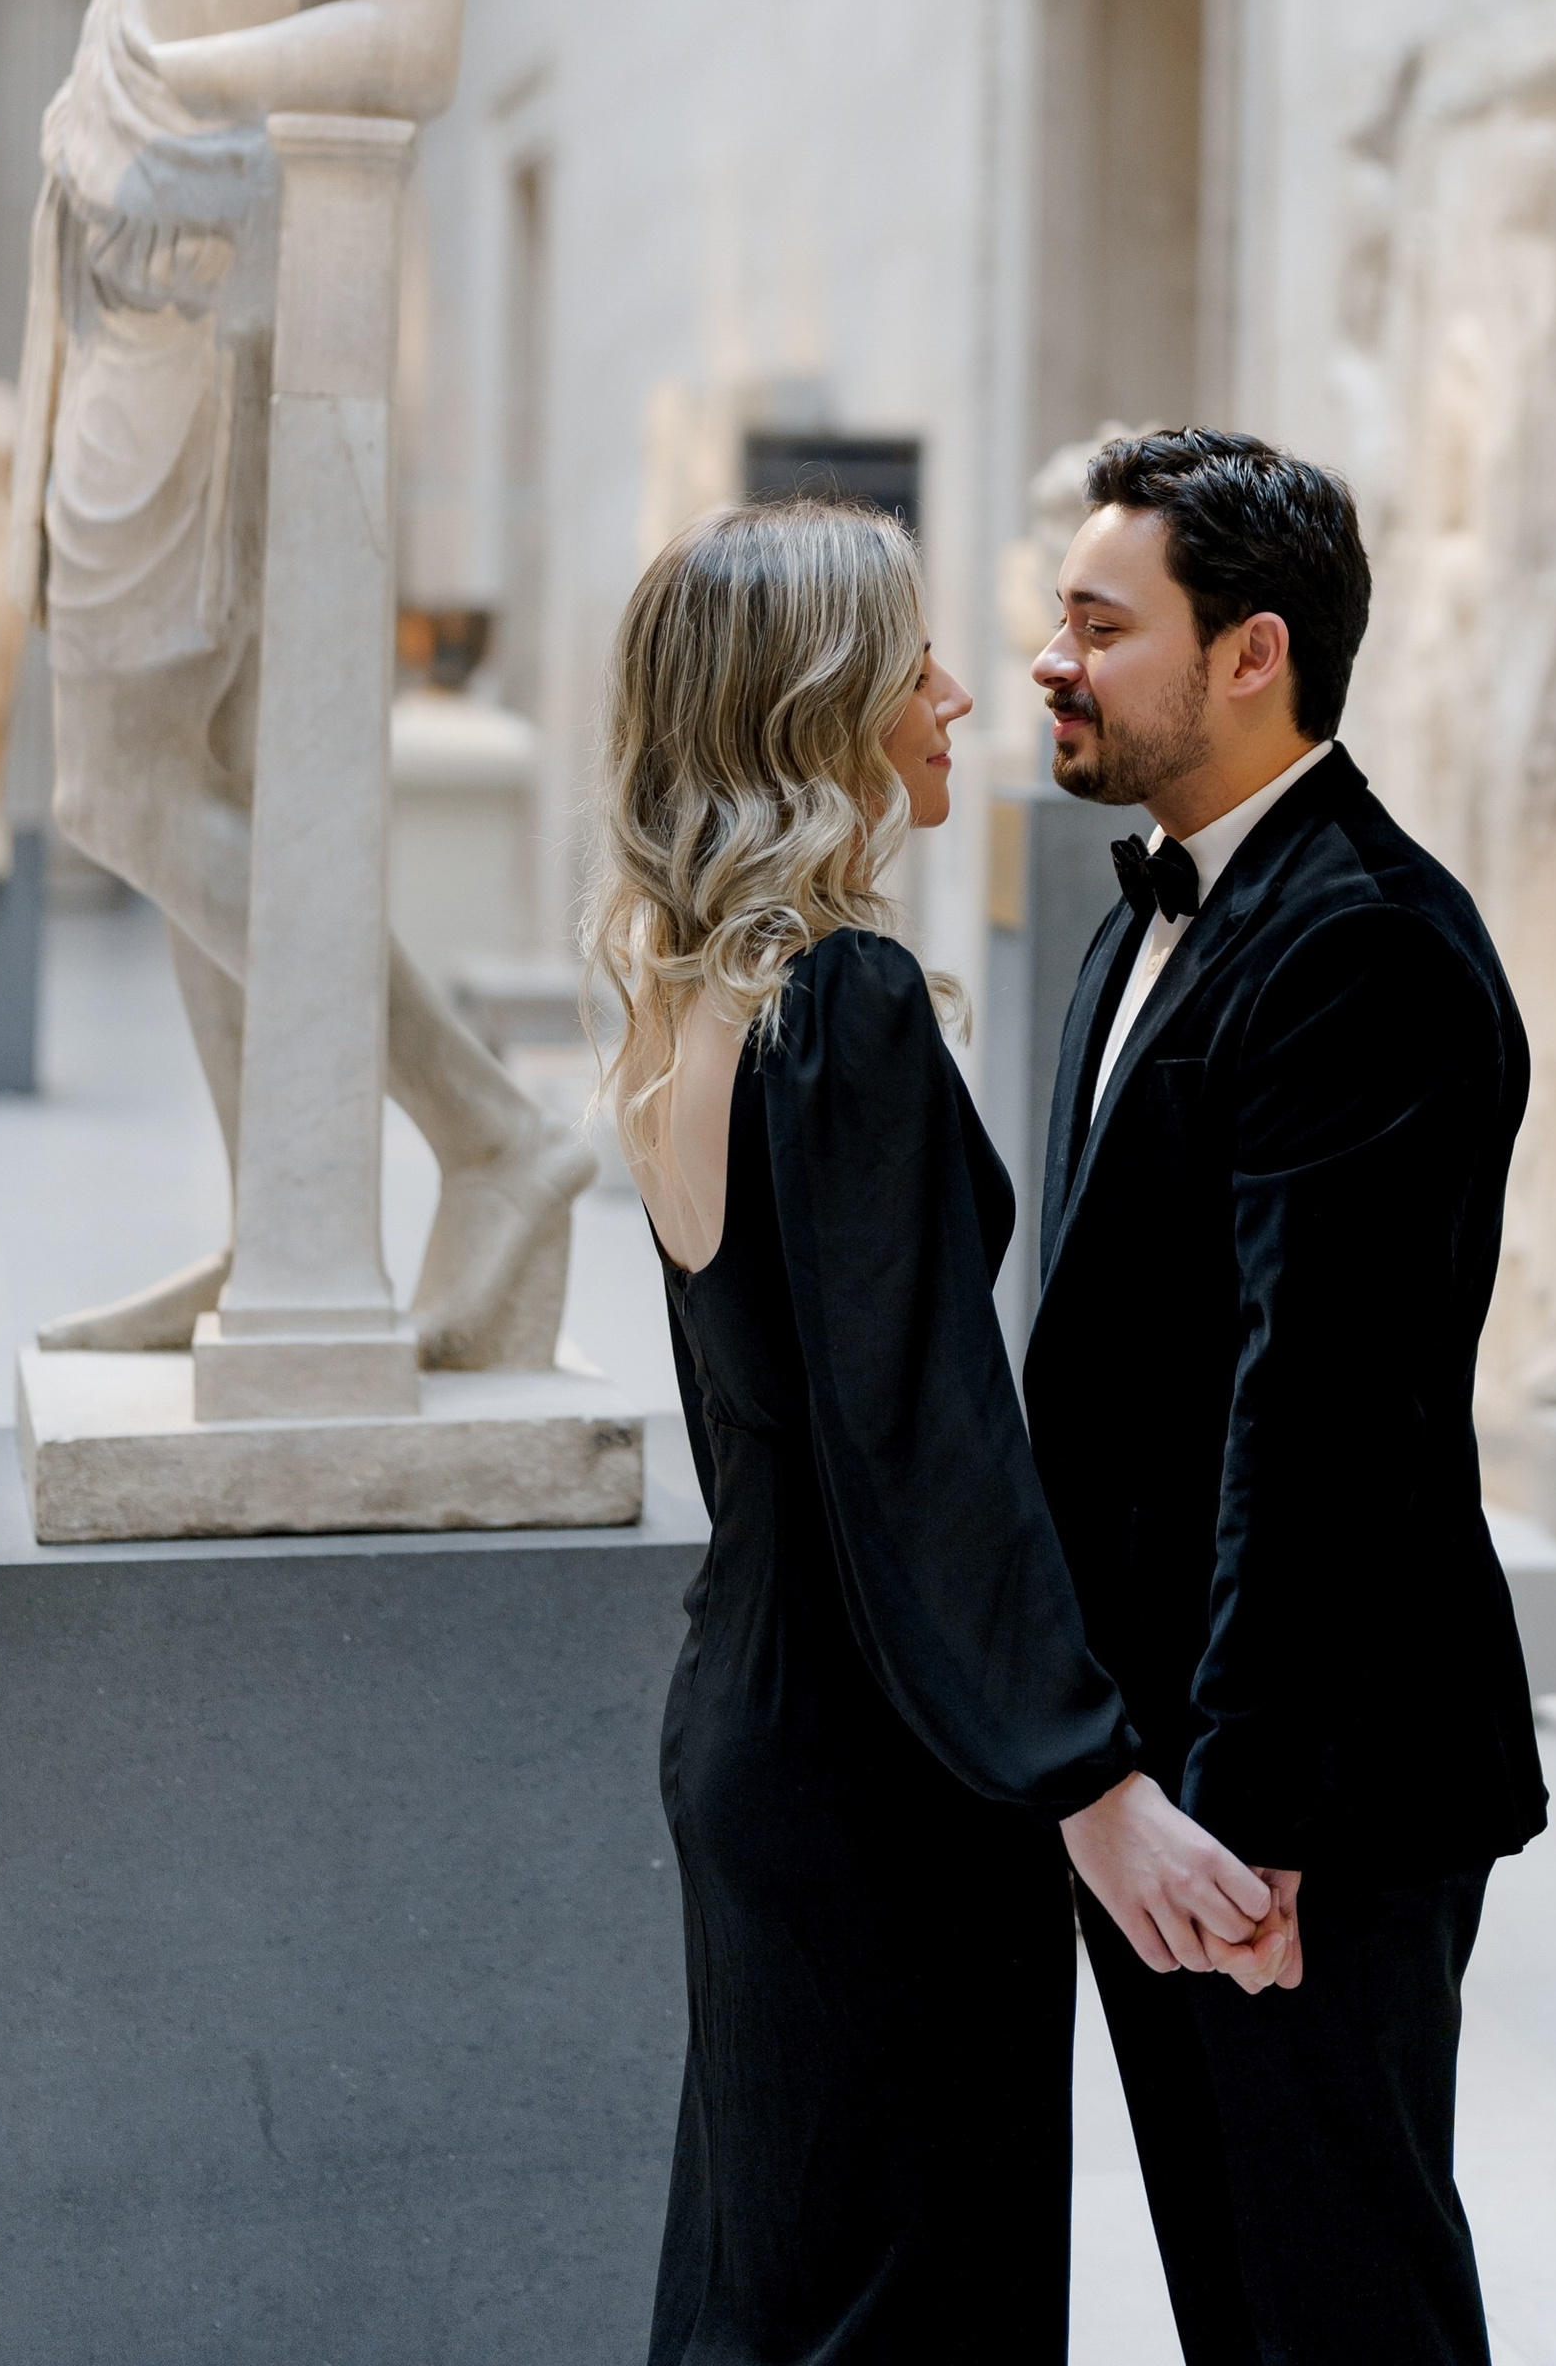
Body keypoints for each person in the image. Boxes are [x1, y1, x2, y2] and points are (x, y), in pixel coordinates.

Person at [586, 496, 1290, 2365]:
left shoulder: (683, 995)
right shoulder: (846, 1004)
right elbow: (920, 1445)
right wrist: (1092, 1782)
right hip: (882, 1775)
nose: (962, 695)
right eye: (913, 662)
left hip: (757, 1723)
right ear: (818, 700)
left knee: (771, 2287)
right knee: (903, 2310)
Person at [15, 0, 586, 1364]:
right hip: (135, 271)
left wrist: (188, 72)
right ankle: (287, 1238)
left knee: (136, 788)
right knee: (165, 771)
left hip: (220, 284)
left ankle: (492, 1135)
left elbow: (414, 38)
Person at [1024, 427, 1547, 2366]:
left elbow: (1321, 1417)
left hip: (1308, 1787)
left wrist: (1233, 1826)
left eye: (1099, 623)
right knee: (1242, 2302)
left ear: (1251, 656)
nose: (1051, 662)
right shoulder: (1152, 909)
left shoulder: (1363, 948)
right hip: (1172, 1771)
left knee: (1341, 2312)